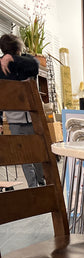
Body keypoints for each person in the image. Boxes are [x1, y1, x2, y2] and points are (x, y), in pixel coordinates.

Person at [0, 34, 45, 187]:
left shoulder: (27, 62)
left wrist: (12, 59)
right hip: (15, 121)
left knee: (39, 154)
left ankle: (42, 183)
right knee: (25, 157)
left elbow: (35, 65)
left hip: (33, 118)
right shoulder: (1, 67)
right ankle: (34, 188)